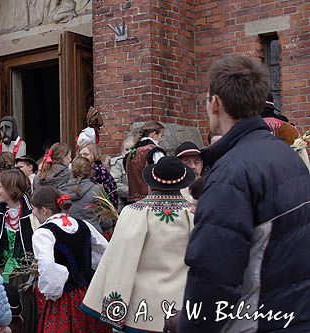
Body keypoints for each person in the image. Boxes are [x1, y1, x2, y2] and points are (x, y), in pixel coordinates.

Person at [177, 55, 310, 332]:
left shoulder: (231, 174)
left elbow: (213, 275)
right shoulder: (288, 155)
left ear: (215, 104)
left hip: (256, 320)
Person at [81, 156, 195, 332]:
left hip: (141, 310)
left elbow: (120, 261)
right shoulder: (194, 214)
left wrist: (114, 309)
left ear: (150, 183)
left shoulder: (134, 213)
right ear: (182, 184)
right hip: (182, 307)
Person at [31, 186, 111, 333]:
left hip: (64, 298)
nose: (33, 213)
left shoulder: (43, 233)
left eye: (34, 209)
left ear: (43, 210)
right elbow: (106, 252)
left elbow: (48, 267)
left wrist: (52, 292)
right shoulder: (83, 225)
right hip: (90, 296)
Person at [0, 169, 40, 332]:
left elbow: (41, 250)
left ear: (12, 188)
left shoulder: (33, 215)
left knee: (22, 320)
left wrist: (34, 275)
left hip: (23, 279)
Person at [59, 157, 105, 234]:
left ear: (71, 170)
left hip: (68, 234)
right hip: (92, 235)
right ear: (90, 171)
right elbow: (106, 218)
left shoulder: (62, 190)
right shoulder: (96, 190)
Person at [125, 121, 166, 202]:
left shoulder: (130, 154)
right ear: (154, 134)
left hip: (134, 203)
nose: (161, 140)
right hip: (153, 201)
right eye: (161, 136)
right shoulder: (155, 151)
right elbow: (163, 175)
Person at [79, 143, 118, 208]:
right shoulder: (86, 169)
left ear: (94, 155)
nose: (82, 157)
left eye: (86, 154)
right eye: (80, 155)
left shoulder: (97, 171)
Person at [110, 137, 134, 210]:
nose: (129, 151)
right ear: (122, 151)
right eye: (126, 149)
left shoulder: (140, 162)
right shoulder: (118, 163)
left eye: (132, 149)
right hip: (123, 203)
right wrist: (133, 192)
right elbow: (115, 183)